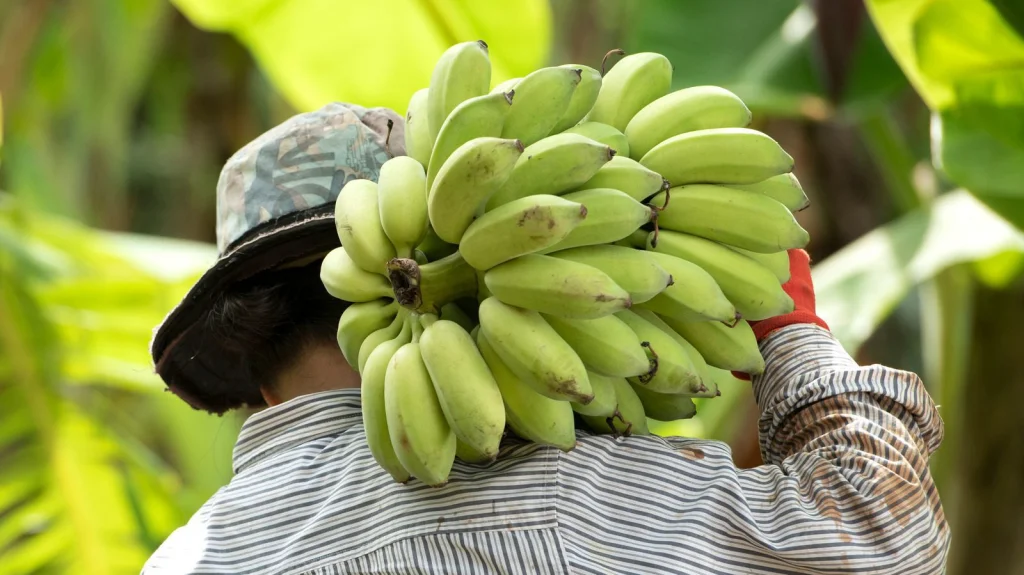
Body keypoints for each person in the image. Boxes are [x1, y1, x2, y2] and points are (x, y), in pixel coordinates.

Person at [142, 103, 950, 574]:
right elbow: (882, 538)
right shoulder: (558, 491)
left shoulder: (177, 561)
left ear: (250, 366)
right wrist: (793, 336)